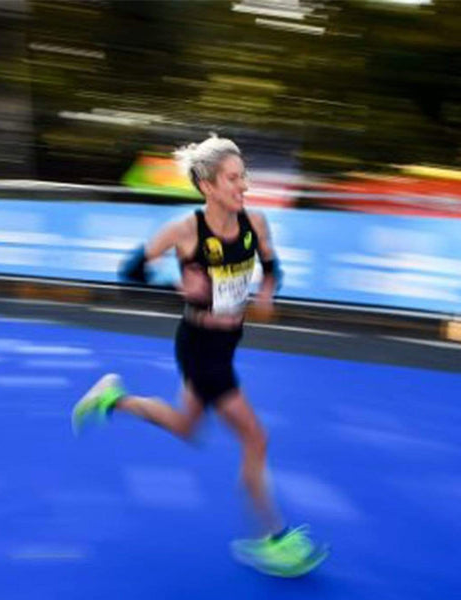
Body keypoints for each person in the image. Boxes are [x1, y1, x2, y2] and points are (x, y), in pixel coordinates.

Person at [71, 135, 326, 577]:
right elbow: (128, 273)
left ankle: (114, 398)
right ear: (207, 185)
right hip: (199, 348)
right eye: (233, 177)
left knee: (187, 427)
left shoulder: (257, 223)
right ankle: (271, 538)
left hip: (229, 343)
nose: (243, 185)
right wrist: (175, 287)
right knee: (256, 439)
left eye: (243, 175)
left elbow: (273, 269)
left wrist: (266, 292)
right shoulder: (183, 232)